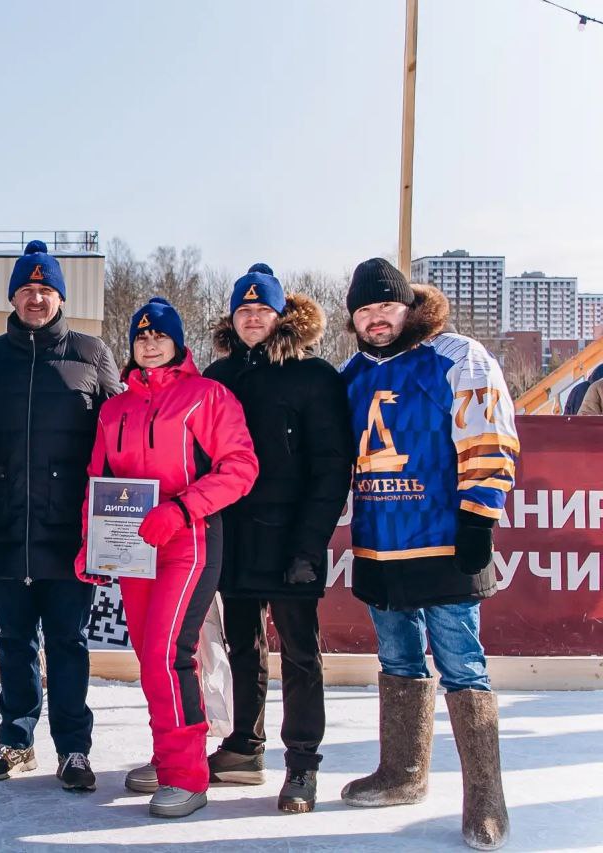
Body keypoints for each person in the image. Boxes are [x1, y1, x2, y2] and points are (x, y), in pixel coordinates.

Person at [338, 258, 518, 851]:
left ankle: (486, 801)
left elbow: (488, 431)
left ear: (408, 306)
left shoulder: (457, 355)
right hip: (379, 542)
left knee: (463, 665)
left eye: (384, 306)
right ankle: (403, 773)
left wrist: (480, 515)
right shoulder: (351, 373)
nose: (374, 318)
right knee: (398, 660)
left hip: (443, 538)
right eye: (363, 310)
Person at [76, 297, 258, 819]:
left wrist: (180, 510)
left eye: (160, 336)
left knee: (168, 653)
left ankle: (186, 775)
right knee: (149, 656)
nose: (150, 343)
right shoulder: (116, 408)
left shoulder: (207, 397)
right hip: (133, 550)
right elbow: (99, 482)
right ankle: (168, 753)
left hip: (188, 541)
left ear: (178, 343)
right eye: (141, 337)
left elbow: (240, 467)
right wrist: (94, 545)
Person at [0, 240, 122, 791]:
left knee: (69, 641)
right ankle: (16, 739)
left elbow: (116, 439)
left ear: (60, 298)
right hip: (6, 524)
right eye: (27, 289)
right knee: (12, 638)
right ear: (12, 296)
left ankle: (74, 749)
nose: (36, 297)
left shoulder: (92, 354)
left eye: (46, 289)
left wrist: (112, 523)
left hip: (68, 531)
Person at [202, 263, 354, 813]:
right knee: (242, 645)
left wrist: (310, 546)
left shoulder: (314, 377)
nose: (252, 318)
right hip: (234, 537)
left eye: (262, 310)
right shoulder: (218, 377)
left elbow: (331, 466)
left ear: (280, 315)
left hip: (291, 540)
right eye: (243, 310)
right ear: (232, 318)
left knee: (299, 653)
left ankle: (303, 765)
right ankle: (244, 745)